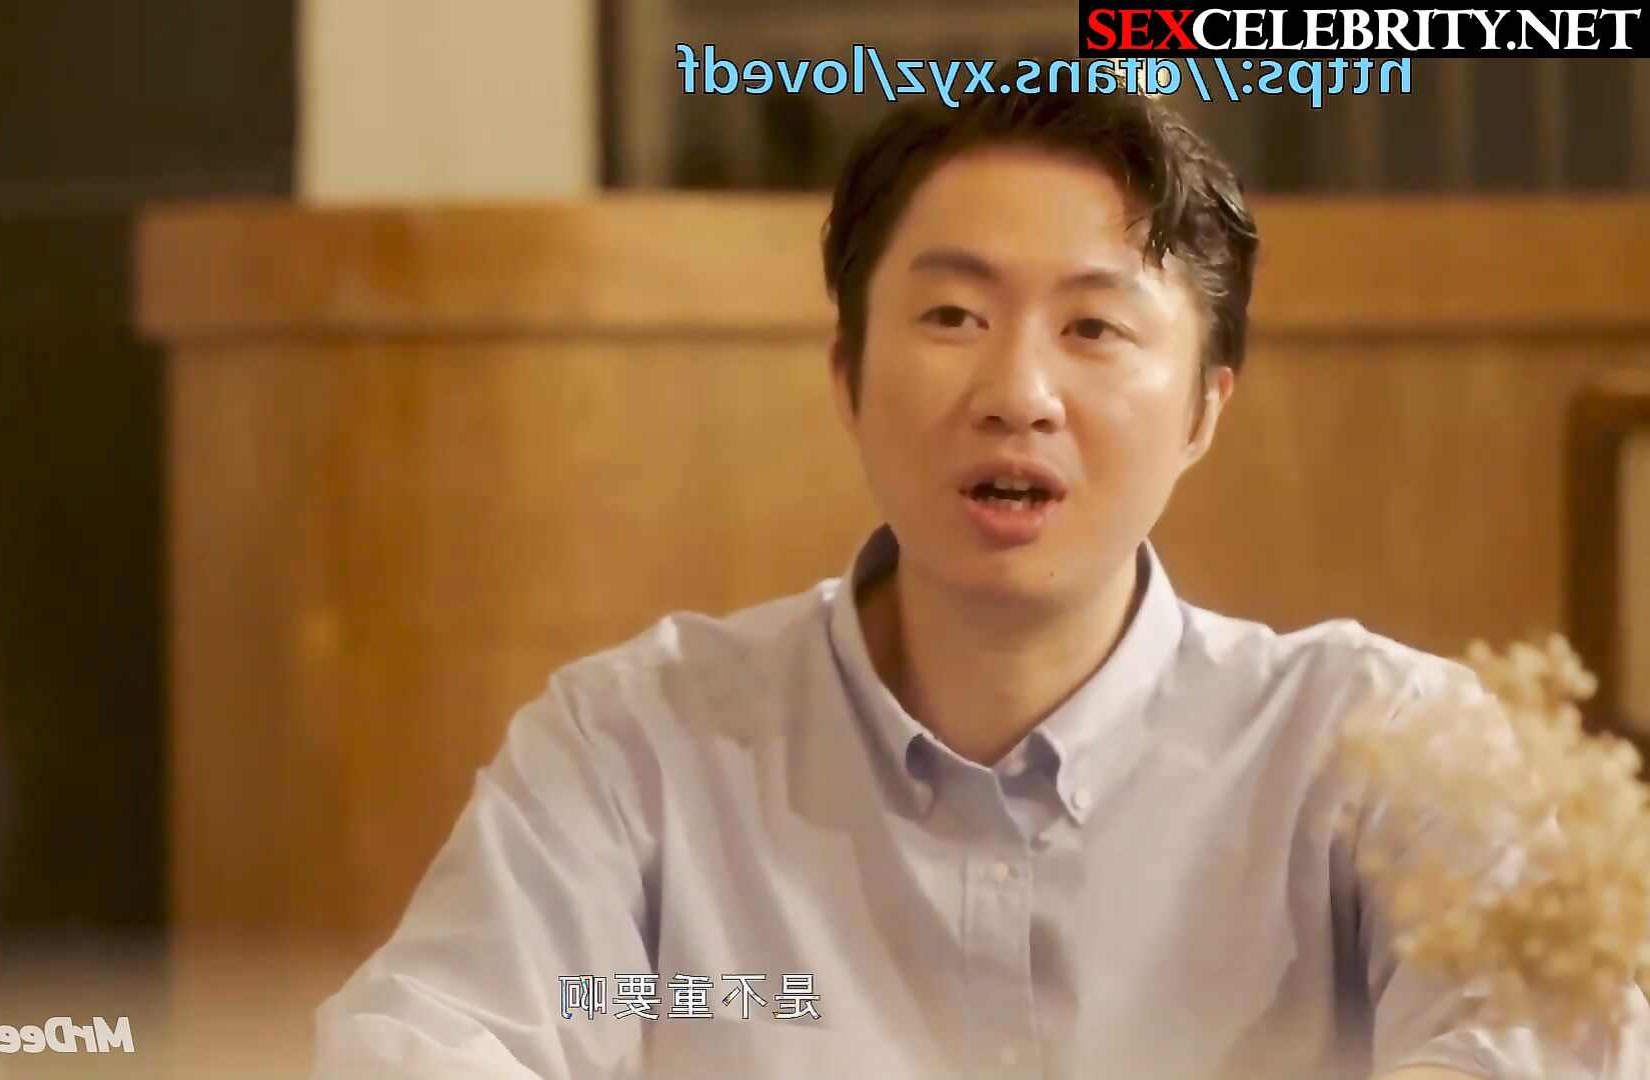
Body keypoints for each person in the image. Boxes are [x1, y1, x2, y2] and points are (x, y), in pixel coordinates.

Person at [310, 85, 1648, 1079]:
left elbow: (1549, 1043)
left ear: (1203, 409)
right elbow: (434, 1039)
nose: (1018, 393)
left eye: (1094, 326)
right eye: (952, 316)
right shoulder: (640, 748)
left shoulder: (1380, 745)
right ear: (847, 375)